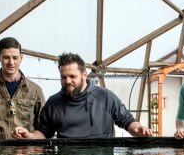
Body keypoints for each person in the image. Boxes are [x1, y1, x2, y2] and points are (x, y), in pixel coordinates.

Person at [13, 52, 152, 139]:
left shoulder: (105, 96)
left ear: (84, 74)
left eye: (72, 76)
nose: (67, 81)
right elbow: (43, 134)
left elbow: (127, 121)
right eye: (63, 77)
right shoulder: (53, 103)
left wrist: (138, 129)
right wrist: (29, 136)